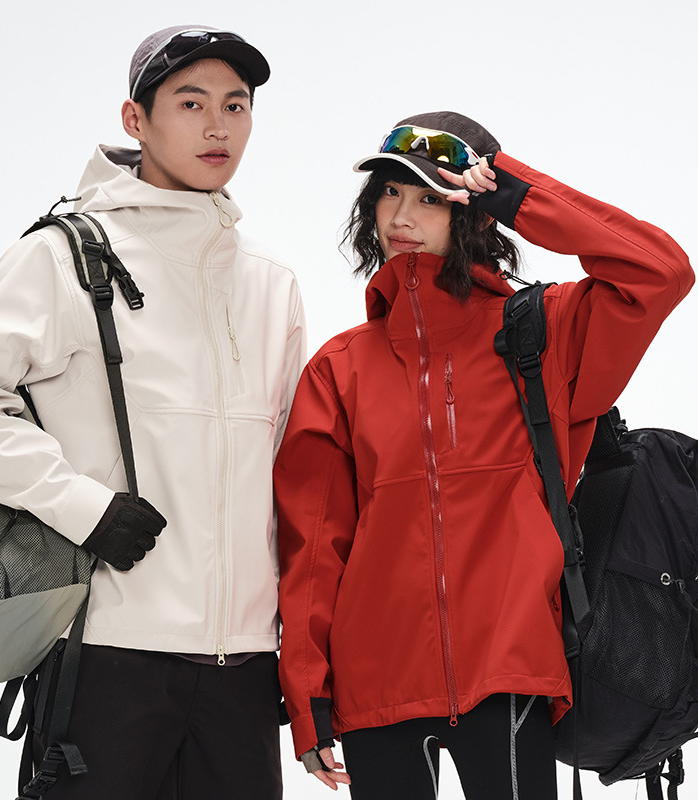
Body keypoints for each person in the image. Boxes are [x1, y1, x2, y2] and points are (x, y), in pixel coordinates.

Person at [0, 24, 305, 800]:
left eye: (235, 106)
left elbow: (294, 470)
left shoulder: (271, 283)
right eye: (191, 103)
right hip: (107, 650)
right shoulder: (62, 254)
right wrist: (84, 507)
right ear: (136, 119)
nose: (217, 126)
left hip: (243, 664)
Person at [274, 110, 693, 799]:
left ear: (473, 212)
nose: (401, 215)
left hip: (511, 669)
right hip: (373, 683)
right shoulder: (339, 369)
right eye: (389, 192)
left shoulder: (544, 335)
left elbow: (660, 271)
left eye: (430, 197)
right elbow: (315, 548)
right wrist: (307, 695)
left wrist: (514, 190)